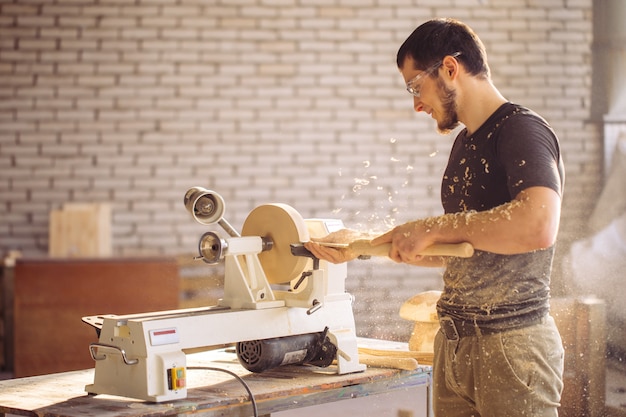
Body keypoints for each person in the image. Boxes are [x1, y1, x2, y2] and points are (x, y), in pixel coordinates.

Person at [305, 18, 565, 417]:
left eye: (415, 87)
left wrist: (429, 227)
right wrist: (362, 246)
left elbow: (537, 225)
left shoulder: (521, 130)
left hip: (511, 346)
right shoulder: (465, 143)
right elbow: (465, 250)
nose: (416, 104)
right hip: (454, 344)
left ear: (449, 68)